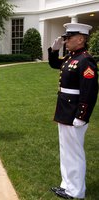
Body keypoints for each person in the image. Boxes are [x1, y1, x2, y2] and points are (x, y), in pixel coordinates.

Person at [48, 23, 98, 199]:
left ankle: (76, 191)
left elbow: (89, 91)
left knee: (74, 153)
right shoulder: (71, 58)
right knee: (66, 151)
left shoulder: (85, 60)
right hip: (65, 110)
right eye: (66, 37)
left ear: (81, 39)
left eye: (69, 37)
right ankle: (67, 185)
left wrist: (82, 116)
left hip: (74, 113)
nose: (66, 40)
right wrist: (53, 50)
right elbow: (55, 64)